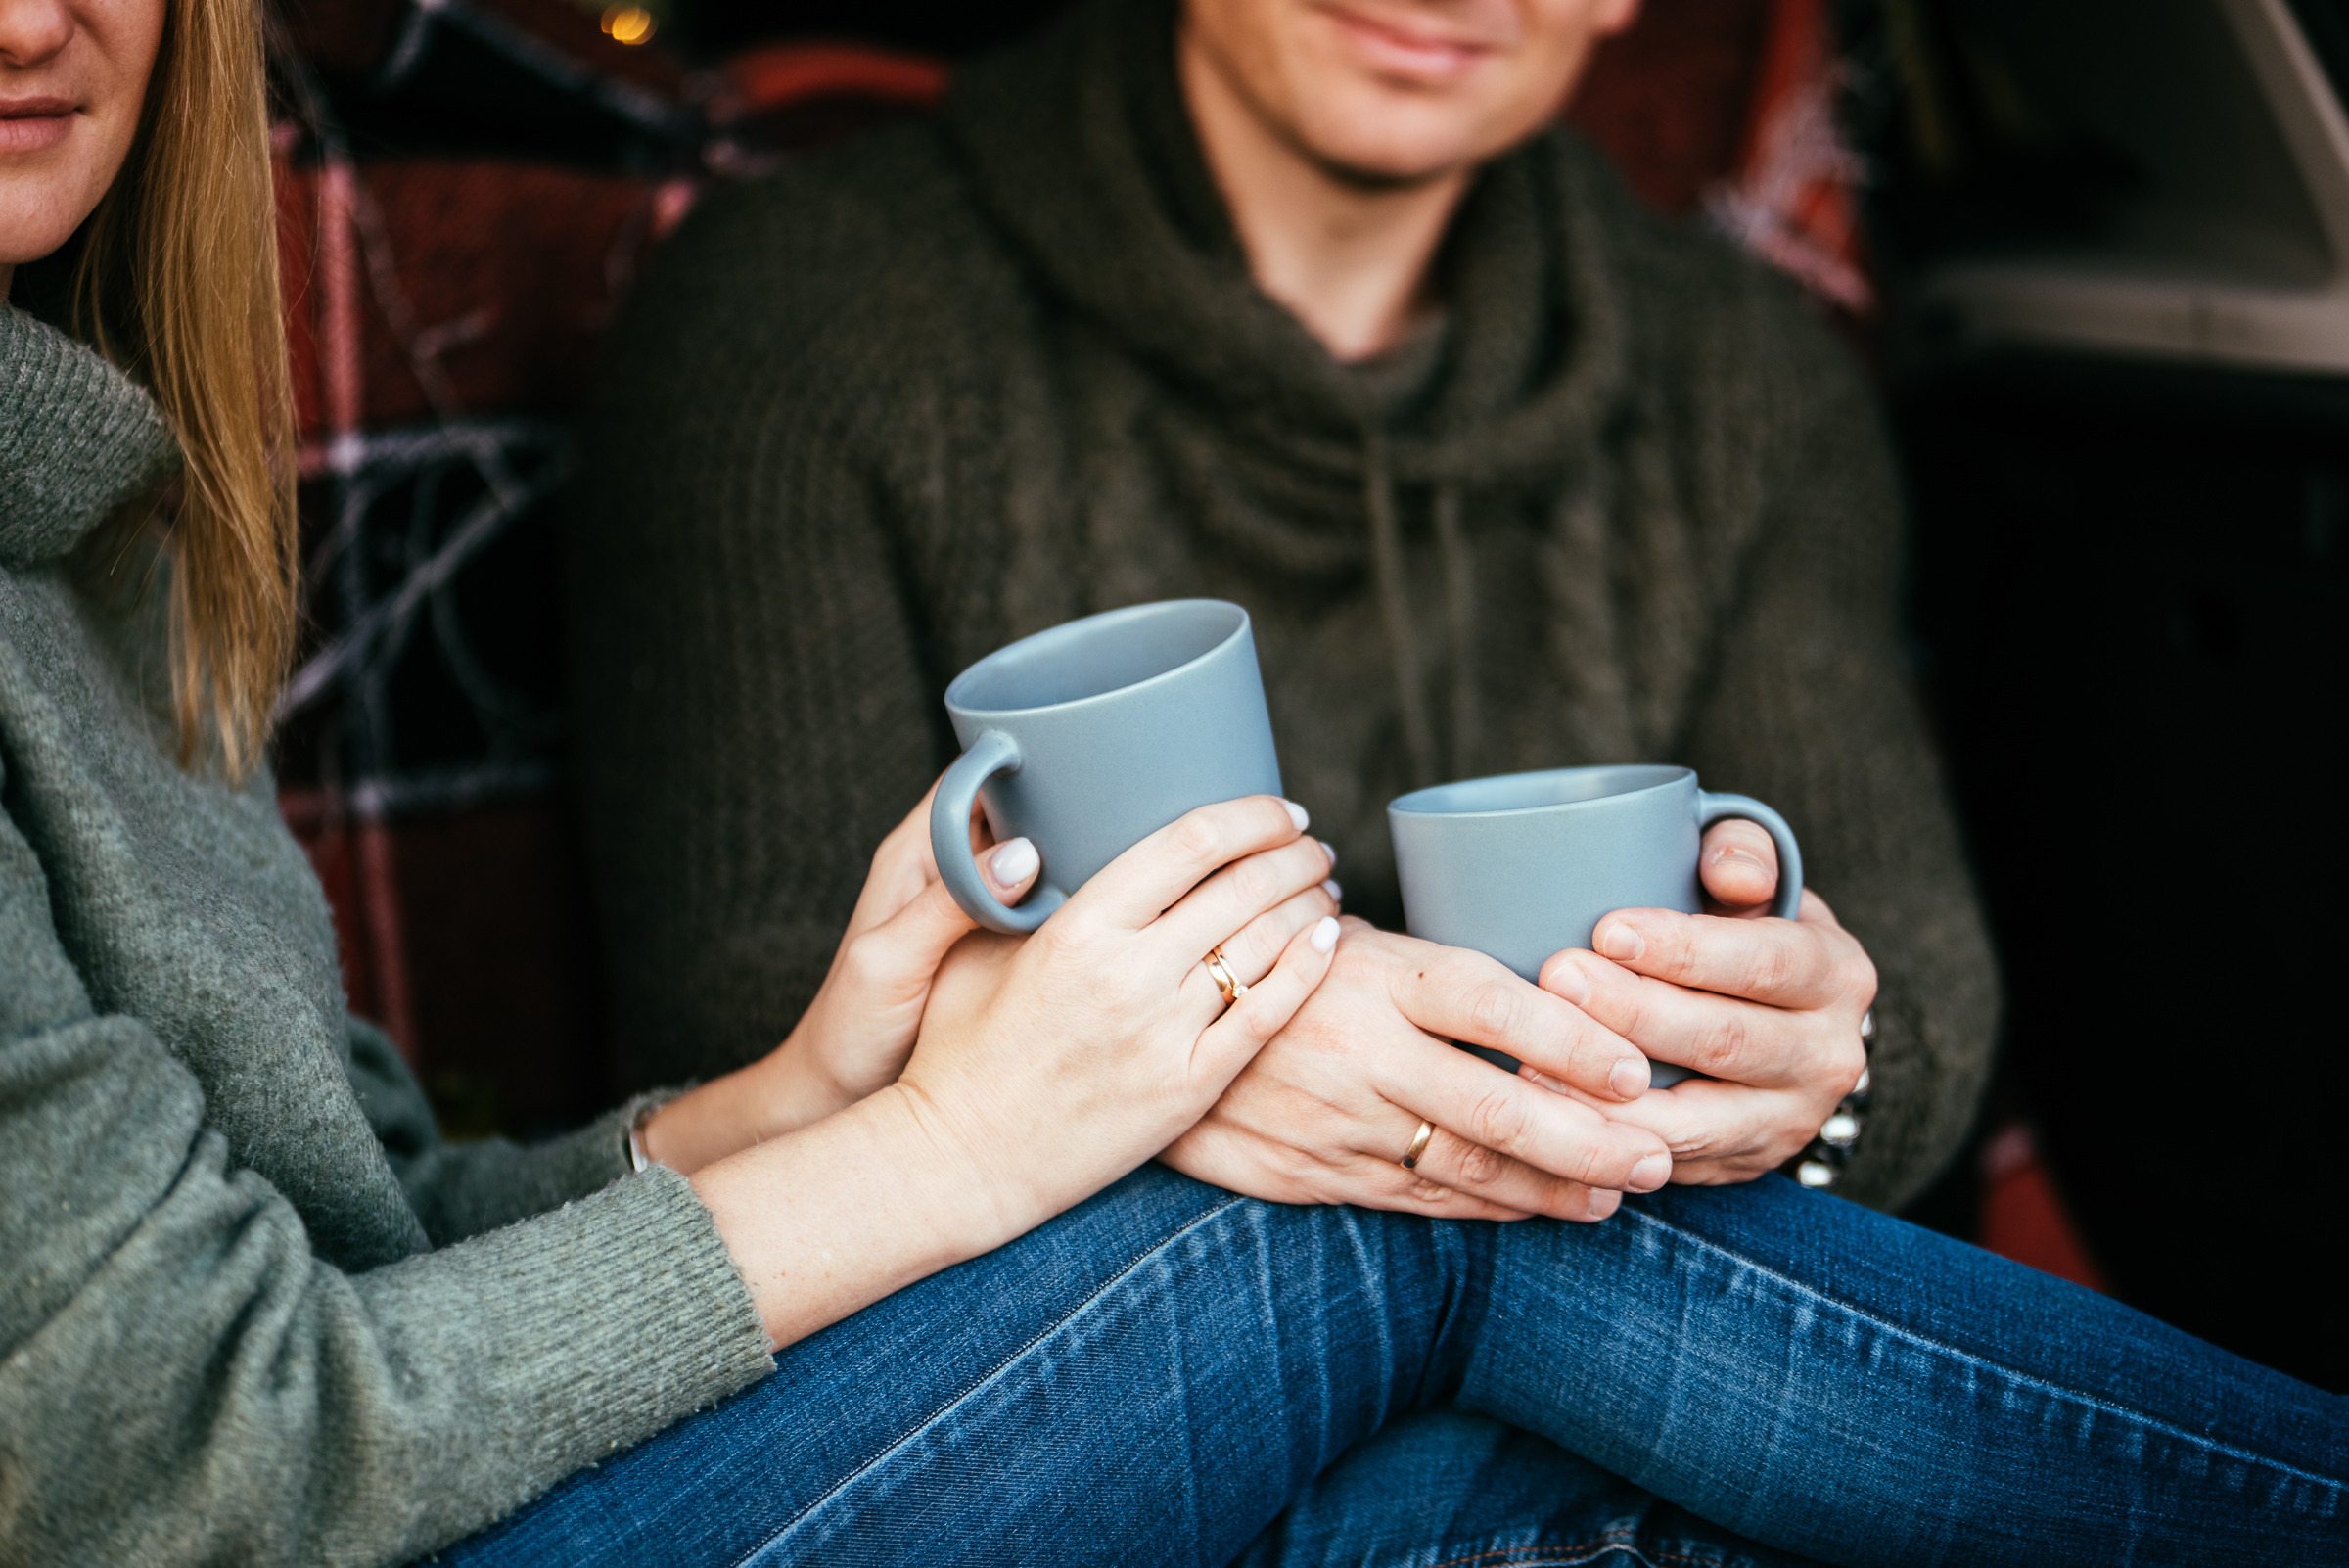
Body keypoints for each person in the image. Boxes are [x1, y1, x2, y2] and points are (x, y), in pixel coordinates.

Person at [6, 3, 2345, 1567]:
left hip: (1260, 1311)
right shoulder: (820, 313)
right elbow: (208, 1433)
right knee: (1358, 1228)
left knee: (1513, 1489)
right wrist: (985, 1110)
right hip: (1002, 1319)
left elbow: (357, 1223)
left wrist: (1801, 1052)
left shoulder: (80, 538)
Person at [566, 0, 1996, 1235]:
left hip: (1632, 1270)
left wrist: (1824, 1074)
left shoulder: (1756, 376)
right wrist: (1196, 1054)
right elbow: (746, 1016)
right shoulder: (798, 315)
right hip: (1068, 1344)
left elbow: (1911, 972)